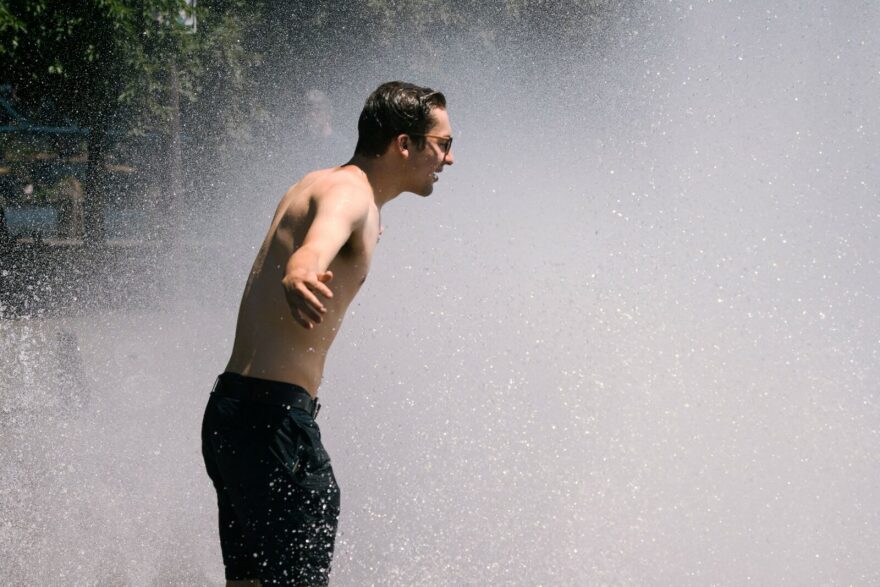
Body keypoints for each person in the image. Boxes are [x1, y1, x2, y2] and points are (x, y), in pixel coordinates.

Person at [201, 81, 454, 587]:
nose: (449, 159)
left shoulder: (317, 182)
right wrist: (301, 271)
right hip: (276, 426)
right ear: (404, 144)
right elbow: (311, 252)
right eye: (442, 144)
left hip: (232, 415)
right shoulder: (349, 194)